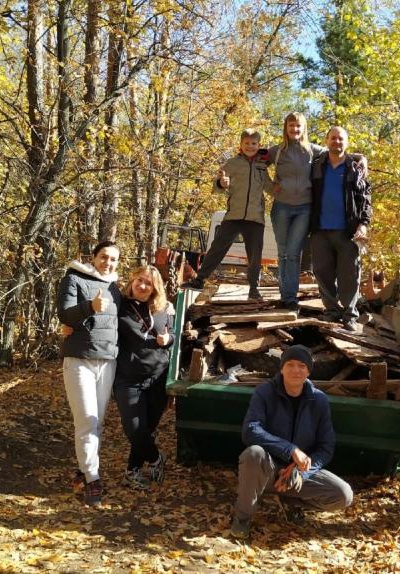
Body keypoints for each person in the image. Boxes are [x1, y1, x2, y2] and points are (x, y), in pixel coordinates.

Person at [230, 345, 353, 540]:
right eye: (290, 364)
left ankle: (290, 500)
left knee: (343, 495)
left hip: (296, 472)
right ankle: (242, 517)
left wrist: (302, 472)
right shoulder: (264, 393)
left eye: (302, 366)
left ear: (309, 371)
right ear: (281, 368)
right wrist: (291, 450)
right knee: (253, 454)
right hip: (268, 468)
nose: (296, 370)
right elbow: (251, 430)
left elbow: (326, 447)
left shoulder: (319, 400)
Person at [57, 241, 121, 507]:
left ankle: (83, 471)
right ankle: (93, 479)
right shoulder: (73, 279)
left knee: (98, 421)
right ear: (93, 257)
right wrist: (89, 308)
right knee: (86, 420)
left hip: (107, 360)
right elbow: (64, 314)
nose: (108, 263)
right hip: (79, 359)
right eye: (104, 257)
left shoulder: (116, 287)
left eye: (113, 259)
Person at [183, 129, 272, 300]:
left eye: (254, 143)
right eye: (246, 143)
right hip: (233, 216)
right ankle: (200, 279)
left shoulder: (262, 166)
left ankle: (254, 289)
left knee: (255, 255)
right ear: (241, 145)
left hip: (255, 217)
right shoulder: (231, 164)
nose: (250, 146)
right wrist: (222, 183)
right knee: (217, 247)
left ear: (259, 145)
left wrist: (284, 190)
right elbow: (216, 188)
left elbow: (269, 186)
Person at [114, 265, 175, 490]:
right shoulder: (120, 305)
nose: (142, 286)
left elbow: (175, 335)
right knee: (134, 428)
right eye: (139, 280)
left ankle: (132, 471)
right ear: (131, 281)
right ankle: (157, 458)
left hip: (158, 377)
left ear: (155, 288)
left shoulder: (164, 308)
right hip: (128, 378)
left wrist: (168, 339)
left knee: (147, 428)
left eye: (148, 283)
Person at [309, 126, 372, 332]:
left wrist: (363, 224)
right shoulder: (317, 165)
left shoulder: (355, 167)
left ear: (347, 142)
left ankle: (349, 315)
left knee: (349, 275)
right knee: (322, 272)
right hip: (319, 229)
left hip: (348, 231)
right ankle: (331, 313)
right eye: (333, 138)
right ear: (326, 141)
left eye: (341, 139)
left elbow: (365, 199)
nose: (337, 142)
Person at [268, 112, 325, 312]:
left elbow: (337, 153)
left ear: (304, 128)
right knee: (283, 253)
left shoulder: (312, 150)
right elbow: (255, 163)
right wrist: (269, 187)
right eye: (291, 125)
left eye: (299, 126)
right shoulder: (276, 151)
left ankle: (290, 298)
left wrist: (359, 158)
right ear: (286, 128)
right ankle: (285, 295)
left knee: (293, 254)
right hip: (281, 207)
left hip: (304, 208)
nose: (295, 129)